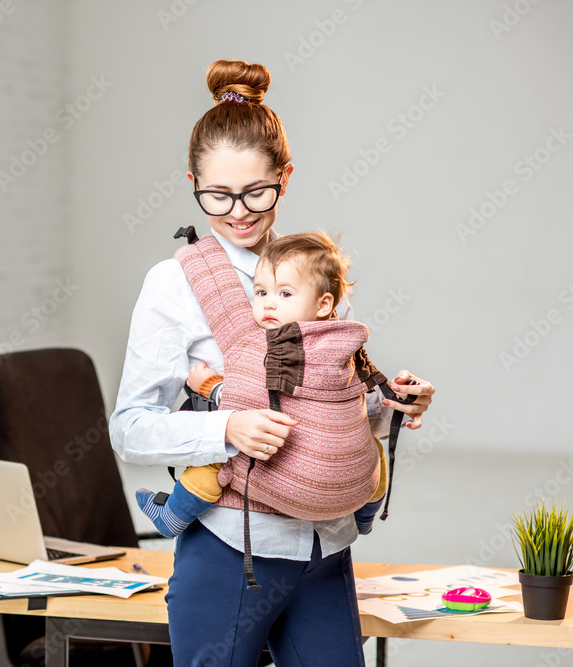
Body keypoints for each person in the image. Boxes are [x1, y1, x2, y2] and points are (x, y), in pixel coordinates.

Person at [108, 58, 435, 666]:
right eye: (216, 195)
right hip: (232, 553)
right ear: (191, 182)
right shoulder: (174, 283)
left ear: (286, 177)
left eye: (256, 191)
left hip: (325, 547)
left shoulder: (310, 272)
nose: (237, 211)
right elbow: (128, 426)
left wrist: (391, 406)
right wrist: (224, 428)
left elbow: (329, 405)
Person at [134, 230, 391, 539]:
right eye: (260, 292)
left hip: (293, 478)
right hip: (350, 488)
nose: (269, 304)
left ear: (324, 304)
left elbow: (248, 398)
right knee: (371, 449)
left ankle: (172, 516)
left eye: (284, 294)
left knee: (217, 457)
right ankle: (365, 516)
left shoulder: (269, 346)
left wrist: (208, 385)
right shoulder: (344, 345)